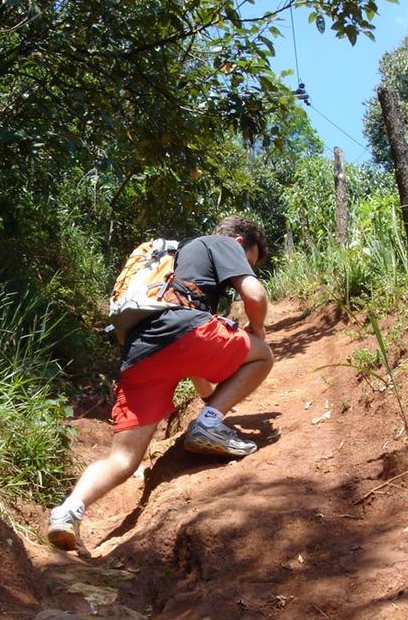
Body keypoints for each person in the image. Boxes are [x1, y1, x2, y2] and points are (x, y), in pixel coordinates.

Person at [47, 215, 274, 551]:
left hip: (141, 351)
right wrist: (258, 332)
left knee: (122, 460)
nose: (243, 268)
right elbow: (254, 295)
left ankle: (68, 512)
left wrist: (212, 404)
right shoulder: (225, 243)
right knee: (264, 356)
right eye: (249, 261)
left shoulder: (180, 271)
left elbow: (196, 372)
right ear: (242, 244)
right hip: (185, 331)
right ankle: (209, 426)